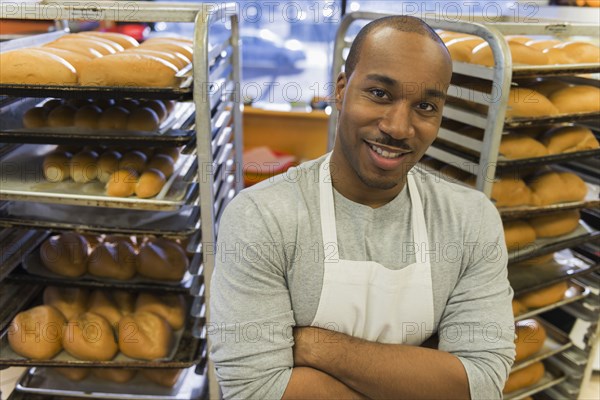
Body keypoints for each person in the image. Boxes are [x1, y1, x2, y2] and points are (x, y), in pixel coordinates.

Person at [209, 15, 515, 400]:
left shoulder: (470, 220)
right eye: (380, 94)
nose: (399, 127)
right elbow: (255, 389)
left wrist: (315, 347)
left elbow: (482, 383)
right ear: (341, 90)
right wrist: (422, 375)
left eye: (424, 105)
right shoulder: (263, 217)